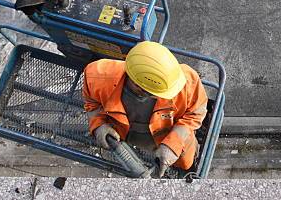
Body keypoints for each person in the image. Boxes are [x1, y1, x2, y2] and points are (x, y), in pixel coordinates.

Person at [82, 41, 208, 177]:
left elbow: (195, 114)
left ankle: (185, 170)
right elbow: (92, 103)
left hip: (172, 140)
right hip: (126, 138)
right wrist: (98, 125)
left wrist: (173, 145)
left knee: (186, 164)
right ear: (139, 87)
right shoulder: (96, 76)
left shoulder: (187, 81)